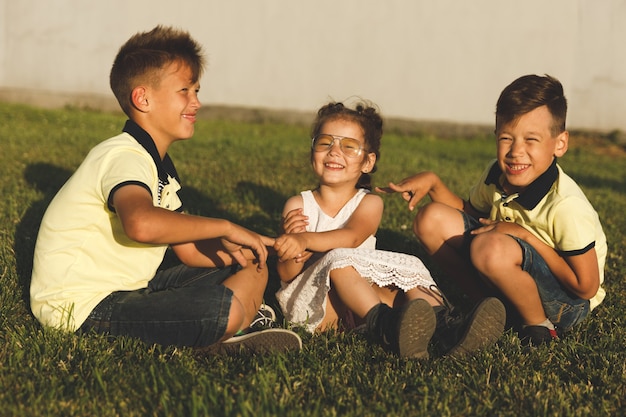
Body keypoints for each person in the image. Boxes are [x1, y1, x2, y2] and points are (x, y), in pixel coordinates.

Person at [29, 25, 301, 354]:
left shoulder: (158, 164)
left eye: (197, 91)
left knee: (251, 265)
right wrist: (226, 226)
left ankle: (222, 327)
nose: (196, 103)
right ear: (143, 98)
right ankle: (223, 325)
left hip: (131, 289)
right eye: (185, 91)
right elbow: (141, 223)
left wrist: (258, 246)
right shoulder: (123, 155)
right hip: (81, 306)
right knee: (221, 309)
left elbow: (186, 250)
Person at [379, 74, 607, 346]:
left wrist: (525, 235)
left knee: (490, 248)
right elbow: (474, 217)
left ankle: (539, 328)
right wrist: (434, 184)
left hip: (565, 303)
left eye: (531, 140)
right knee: (431, 219)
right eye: (506, 138)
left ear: (560, 144)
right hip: (503, 259)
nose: (516, 152)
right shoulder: (497, 173)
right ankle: (487, 308)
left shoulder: (566, 205)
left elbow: (586, 286)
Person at [273, 100, 505, 359]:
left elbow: (352, 237)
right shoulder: (298, 205)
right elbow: (286, 274)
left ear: (367, 162)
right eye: (325, 142)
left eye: (349, 146)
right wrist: (290, 251)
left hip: (361, 298)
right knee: (338, 260)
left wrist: (304, 240)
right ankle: (386, 326)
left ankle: (448, 328)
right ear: (312, 150)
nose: (334, 151)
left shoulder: (370, 203)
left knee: (407, 276)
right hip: (318, 308)